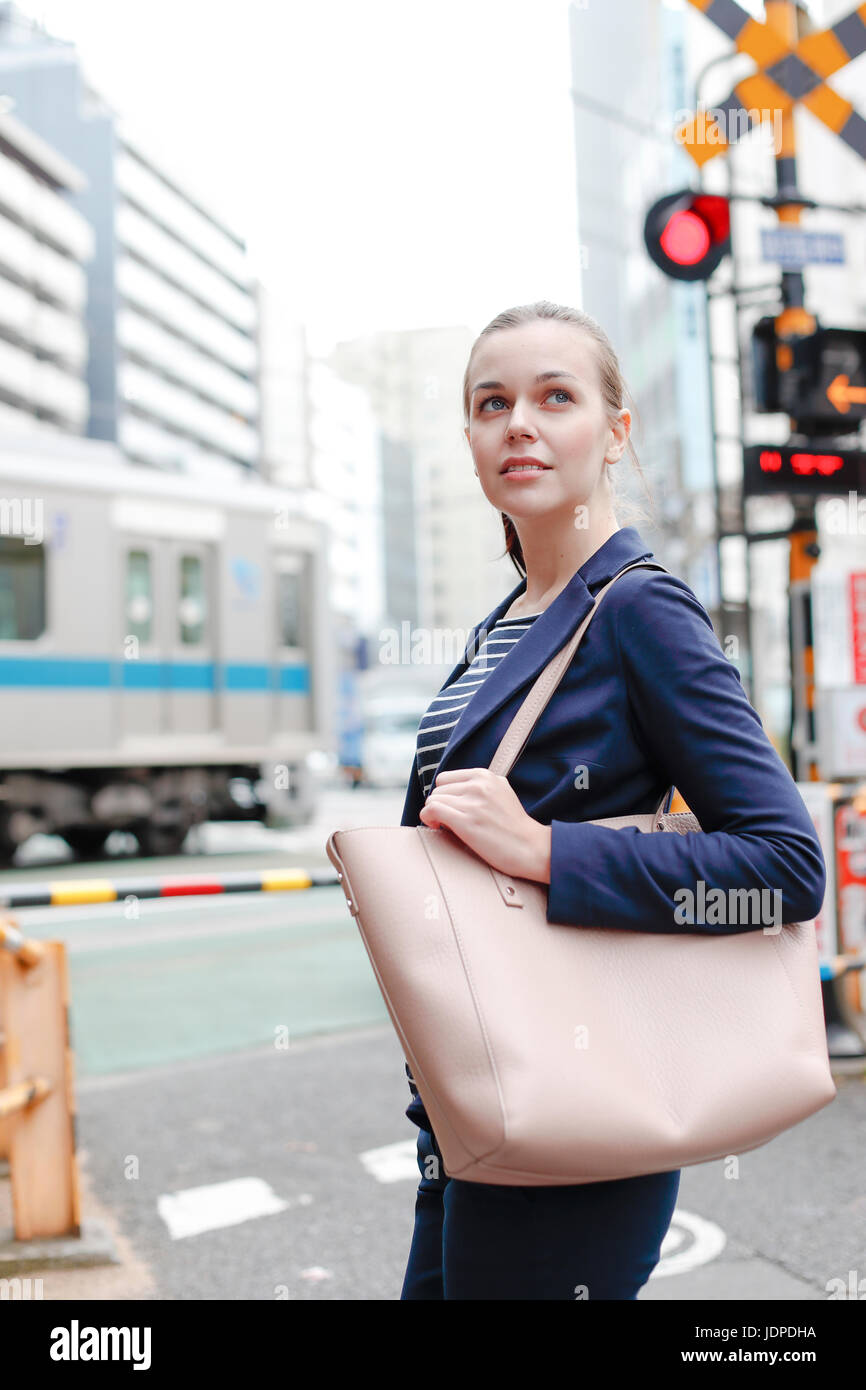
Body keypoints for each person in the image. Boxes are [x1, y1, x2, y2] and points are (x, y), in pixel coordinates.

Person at [396, 300, 827, 1301]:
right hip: (466, 1100)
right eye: (489, 403)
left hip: (573, 1097)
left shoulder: (638, 609)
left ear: (613, 431)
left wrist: (544, 851)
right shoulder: (504, 621)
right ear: (466, 438)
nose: (519, 424)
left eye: (555, 396)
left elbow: (783, 865)